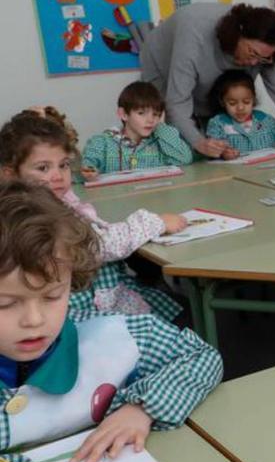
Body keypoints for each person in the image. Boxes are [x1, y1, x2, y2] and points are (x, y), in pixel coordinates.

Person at [0, 181, 222, 462]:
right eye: (6, 304)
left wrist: (142, 407)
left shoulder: (112, 336)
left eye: (52, 296)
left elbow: (202, 357)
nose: (34, 320)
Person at [0, 110, 184, 320]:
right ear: (10, 174)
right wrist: (156, 222)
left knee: (172, 303)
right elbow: (99, 245)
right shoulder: (31, 215)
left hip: (103, 291)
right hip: (84, 307)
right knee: (177, 315)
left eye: (64, 165)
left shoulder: (57, 199)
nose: (58, 176)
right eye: (43, 168)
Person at [139, 3, 275, 158]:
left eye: (263, 59)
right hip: (162, 63)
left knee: (222, 115)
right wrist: (199, 143)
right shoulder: (195, 32)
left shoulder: (267, 48)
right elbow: (177, 101)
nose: (254, 63)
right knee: (185, 143)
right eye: (252, 53)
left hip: (209, 72)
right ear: (237, 35)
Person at [80, 82, 193, 177]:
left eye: (155, 114)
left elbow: (184, 159)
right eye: (141, 113)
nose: (150, 120)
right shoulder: (103, 142)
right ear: (123, 114)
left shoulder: (162, 141)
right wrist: (89, 171)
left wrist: (161, 126)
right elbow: (88, 163)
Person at [204, 69, 275, 159]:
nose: (240, 108)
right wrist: (223, 153)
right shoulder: (218, 124)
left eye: (246, 102)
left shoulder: (265, 119)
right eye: (232, 103)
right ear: (222, 102)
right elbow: (213, 147)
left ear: (253, 99)